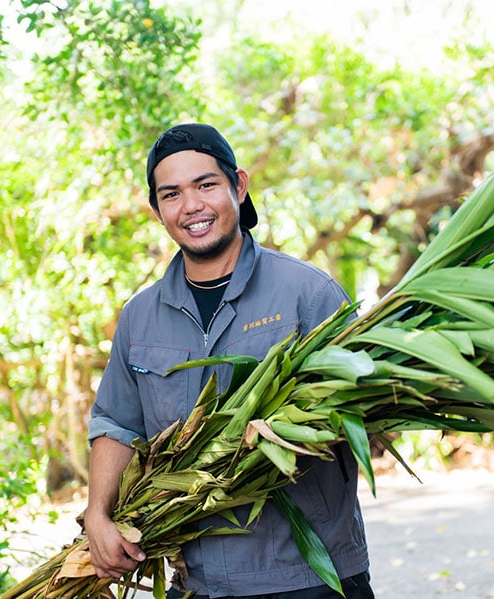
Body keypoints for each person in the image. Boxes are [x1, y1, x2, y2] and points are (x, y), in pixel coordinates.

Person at [85, 123, 373, 599]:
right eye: (171, 194)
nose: (191, 206)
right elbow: (116, 422)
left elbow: (363, 408)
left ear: (238, 186)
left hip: (310, 577)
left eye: (206, 185)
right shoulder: (140, 317)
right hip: (199, 583)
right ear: (157, 211)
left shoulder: (308, 293)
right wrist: (98, 513)